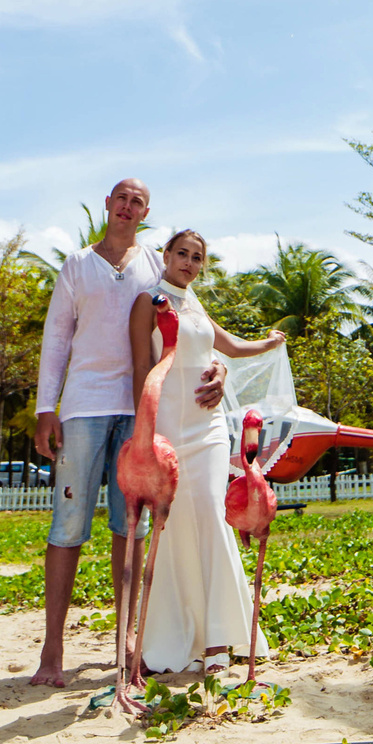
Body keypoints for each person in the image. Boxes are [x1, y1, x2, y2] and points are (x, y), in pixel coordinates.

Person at [28, 178, 227, 688]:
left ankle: (127, 639)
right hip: (83, 409)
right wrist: (45, 408)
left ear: (145, 213)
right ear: (109, 205)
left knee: (132, 528)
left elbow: (200, 330)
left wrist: (221, 371)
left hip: (142, 414)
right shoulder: (77, 264)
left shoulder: (155, 271)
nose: (127, 206)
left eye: (137, 200)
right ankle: (53, 648)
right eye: (120, 197)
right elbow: (56, 338)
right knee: (68, 526)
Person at [130, 229, 288, 675]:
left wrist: (269, 343)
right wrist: (145, 434)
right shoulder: (148, 302)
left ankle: (220, 637)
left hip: (209, 428)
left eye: (197, 258)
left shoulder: (194, 304)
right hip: (167, 429)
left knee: (211, 515)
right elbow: (141, 368)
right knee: (175, 526)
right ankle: (180, 636)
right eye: (182, 253)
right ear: (166, 255)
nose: (188, 263)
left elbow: (233, 347)